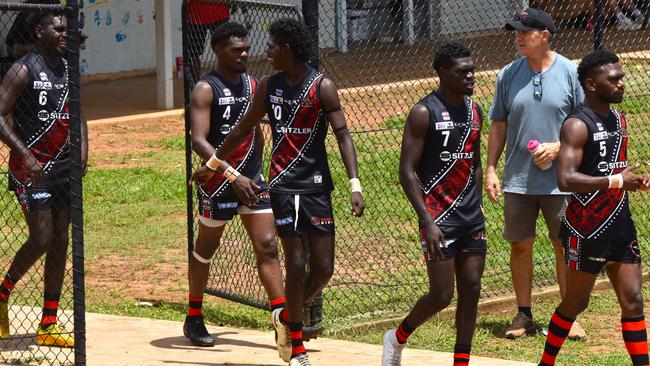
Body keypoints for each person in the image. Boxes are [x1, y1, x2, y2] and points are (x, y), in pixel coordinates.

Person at [191, 18, 365, 366]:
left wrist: (354, 183)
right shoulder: (248, 87)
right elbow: (234, 131)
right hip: (263, 184)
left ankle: (286, 317)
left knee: (316, 266)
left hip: (297, 185)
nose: (257, 51)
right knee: (280, 257)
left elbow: (341, 135)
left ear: (287, 48)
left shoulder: (315, 86)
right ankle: (292, 345)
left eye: (266, 45)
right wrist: (216, 168)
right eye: (240, 48)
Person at [183, 21, 289, 358]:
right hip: (219, 183)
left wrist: (255, 171)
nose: (244, 53)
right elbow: (198, 139)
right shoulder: (205, 88)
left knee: (268, 246)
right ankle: (194, 316)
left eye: (246, 48)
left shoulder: (253, 83)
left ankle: (282, 320)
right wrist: (231, 175)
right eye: (236, 49)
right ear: (217, 50)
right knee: (206, 248)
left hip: (252, 180)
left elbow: (255, 130)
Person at [538, 50, 650, 366]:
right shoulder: (576, 124)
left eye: (621, 77)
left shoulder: (619, 120)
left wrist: (634, 181)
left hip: (620, 226)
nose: (621, 83)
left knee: (633, 302)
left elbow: (613, 170)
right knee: (575, 303)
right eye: (612, 79)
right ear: (591, 83)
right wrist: (616, 181)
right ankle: (545, 363)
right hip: (586, 229)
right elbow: (566, 178)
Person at [381, 42, 486, 366]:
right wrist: (427, 220)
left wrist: (477, 204)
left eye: (472, 69)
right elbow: (406, 171)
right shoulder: (423, 112)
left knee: (471, 289)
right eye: (462, 71)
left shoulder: (475, 111)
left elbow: (475, 162)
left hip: (472, 219)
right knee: (442, 294)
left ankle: (461, 362)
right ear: (442, 73)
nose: (470, 76)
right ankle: (397, 338)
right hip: (438, 218)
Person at [485, 7, 586, 340]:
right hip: (518, 180)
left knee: (564, 246)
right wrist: (491, 169)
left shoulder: (571, 72)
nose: (518, 38)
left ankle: (568, 316)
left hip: (562, 179)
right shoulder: (508, 75)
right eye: (516, 32)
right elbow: (498, 125)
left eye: (524, 32)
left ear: (544, 36)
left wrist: (559, 147)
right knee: (520, 245)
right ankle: (524, 315)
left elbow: (585, 123)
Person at [0, 10, 87, 347]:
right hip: (31, 170)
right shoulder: (23, 69)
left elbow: (80, 115)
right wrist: (24, 154)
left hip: (64, 169)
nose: (67, 33)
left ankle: (49, 322)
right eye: (59, 28)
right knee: (41, 238)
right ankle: (4, 292)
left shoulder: (70, 69)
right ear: (40, 31)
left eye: (70, 29)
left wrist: (83, 152)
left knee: (61, 239)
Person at [186, 0, 230, 85]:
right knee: (193, 53)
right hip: (196, 13)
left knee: (226, 48)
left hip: (218, 10)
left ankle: (227, 80)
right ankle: (195, 85)